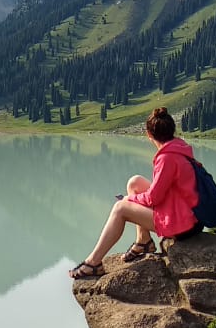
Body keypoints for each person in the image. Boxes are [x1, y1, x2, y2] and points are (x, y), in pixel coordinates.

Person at [69, 107, 202, 278]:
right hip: (188, 213)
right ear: (172, 130)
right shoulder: (179, 148)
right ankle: (143, 241)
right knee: (135, 182)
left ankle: (93, 264)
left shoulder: (167, 158)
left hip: (183, 225)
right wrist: (135, 196)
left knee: (120, 208)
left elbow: (154, 198)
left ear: (149, 134)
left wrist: (130, 199)